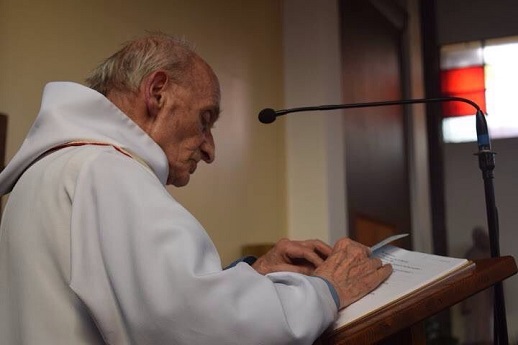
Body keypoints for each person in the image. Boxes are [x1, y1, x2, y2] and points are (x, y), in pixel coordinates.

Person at [0, 33, 392, 344]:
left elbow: (146, 304)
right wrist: (327, 289)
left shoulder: (55, 169)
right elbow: (200, 328)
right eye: (206, 120)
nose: (210, 149)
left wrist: (256, 273)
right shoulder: (107, 171)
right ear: (157, 92)